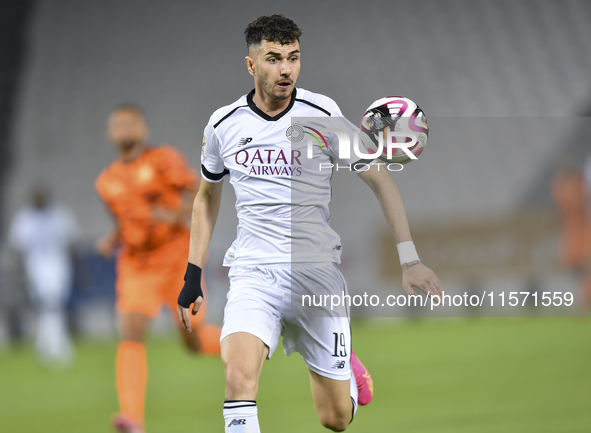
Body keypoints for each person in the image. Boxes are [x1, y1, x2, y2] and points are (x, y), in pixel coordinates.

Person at [177, 14, 443, 432]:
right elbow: (206, 196)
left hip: (315, 275)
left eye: (293, 58)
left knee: (334, 418)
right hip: (253, 274)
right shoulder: (223, 125)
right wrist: (192, 272)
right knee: (237, 379)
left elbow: (381, 180)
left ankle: (349, 373)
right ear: (251, 66)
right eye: (273, 59)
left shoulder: (323, 114)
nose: (285, 69)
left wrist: (409, 260)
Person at [95, 104, 221, 433]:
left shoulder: (162, 160)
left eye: (130, 122)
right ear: (110, 133)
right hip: (137, 263)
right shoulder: (107, 182)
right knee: (132, 330)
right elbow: (128, 222)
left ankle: (252, 341)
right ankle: (132, 419)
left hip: (176, 258)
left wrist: (176, 213)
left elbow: (198, 192)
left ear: (143, 130)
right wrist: (113, 239)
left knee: (193, 342)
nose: (124, 127)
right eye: (118, 123)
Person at [8, 185, 78, 367]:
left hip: (57, 264)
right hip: (36, 266)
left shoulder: (59, 214)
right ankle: (54, 347)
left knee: (54, 305)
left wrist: (77, 269)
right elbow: (17, 247)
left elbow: (71, 241)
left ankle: (52, 346)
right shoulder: (24, 218)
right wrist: (19, 274)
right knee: (47, 306)